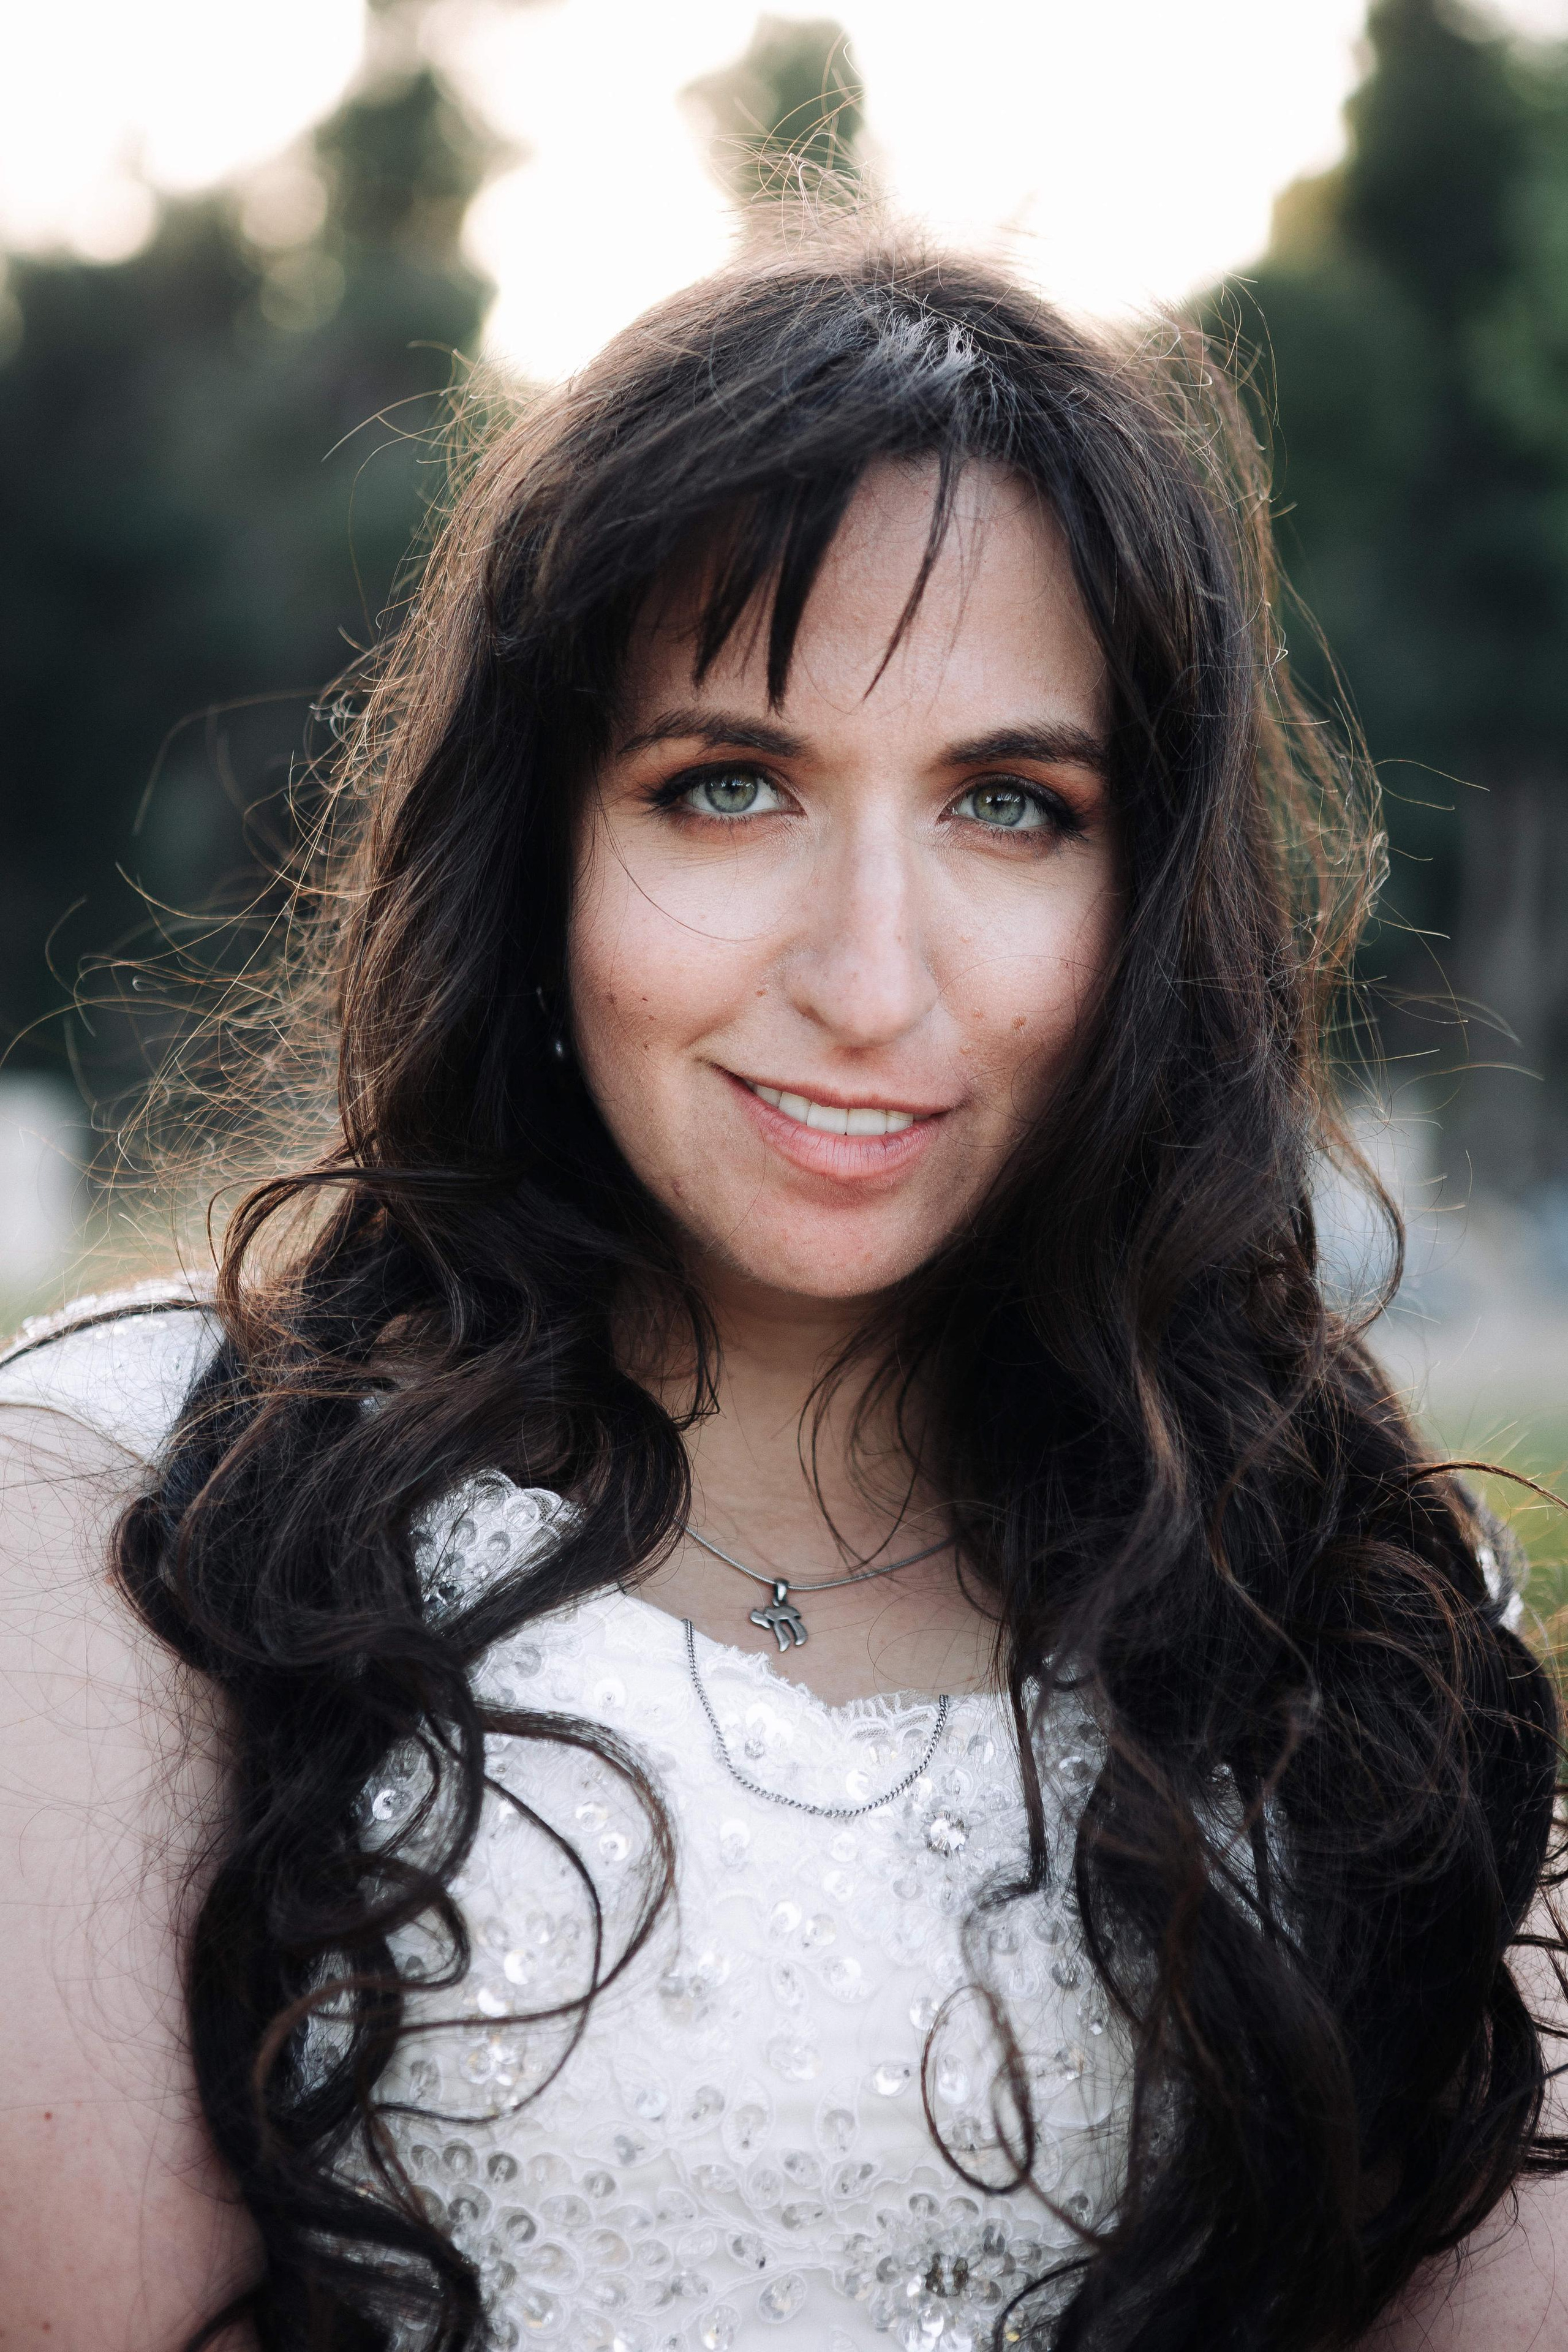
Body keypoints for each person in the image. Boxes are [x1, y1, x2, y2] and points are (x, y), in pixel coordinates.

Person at [1, 232, 1563, 2352]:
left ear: (1150, 900)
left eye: (1010, 806)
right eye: (728, 788)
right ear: (541, 845)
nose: (869, 980)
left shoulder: (1352, 1587)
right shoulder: (125, 1501)